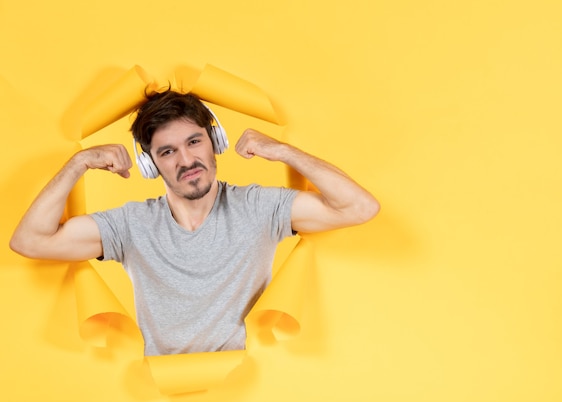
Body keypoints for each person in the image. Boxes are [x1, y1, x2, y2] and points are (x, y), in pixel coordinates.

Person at [9, 90, 380, 356]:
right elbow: (30, 241)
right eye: (167, 152)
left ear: (214, 141)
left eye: (194, 141)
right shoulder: (130, 225)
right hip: (162, 394)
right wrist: (79, 163)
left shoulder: (257, 207)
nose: (186, 160)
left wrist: (281, 151)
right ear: (151, 164)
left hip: (251, 392)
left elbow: (358, 207)